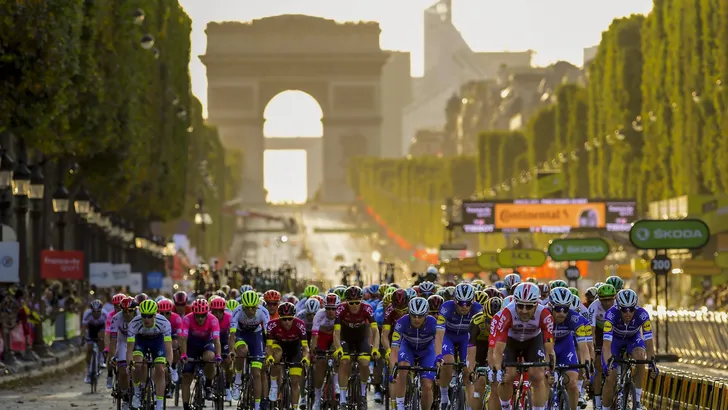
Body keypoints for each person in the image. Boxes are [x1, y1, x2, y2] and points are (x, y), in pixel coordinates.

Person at [490, 282, 555, 410]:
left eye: (529, 306)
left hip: (533, 341)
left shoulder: (545, 314)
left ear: (537, 304)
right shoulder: (507, 313)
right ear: (515, 303)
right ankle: (506, 407)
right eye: (520, 306)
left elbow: (549, 349)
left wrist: (550, 371)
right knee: (507, 376)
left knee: (538, 376)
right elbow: (498, 349)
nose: (524, 311)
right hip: (511, 342)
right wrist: (498, 370)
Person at [601, 289, 657, 410]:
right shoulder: (611, 314)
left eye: (631, 309)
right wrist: (607, 366)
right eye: (624, 309)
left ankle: (637, 400)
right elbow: (606, 345)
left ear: (635, 307)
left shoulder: (643, 315)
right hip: (615, 341)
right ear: (618, 307)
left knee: (641, 357)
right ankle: (605, 407)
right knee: (610, 379)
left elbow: (649, 343)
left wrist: (652, 364)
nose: (628, 313)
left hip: (633, 338)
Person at [434, 283, 481, 410]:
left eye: (468, 303)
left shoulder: (478, 309)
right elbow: (439, 334)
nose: (464, 306)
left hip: (466, 338)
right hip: (448, 336)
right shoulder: (446, 307)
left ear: (473, 301)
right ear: (455, 300)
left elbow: (480, 336)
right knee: (448, 362)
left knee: (468, 371)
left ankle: (469, 406)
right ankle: (444, 397)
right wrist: (438, 355)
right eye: (461, 303)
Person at [389, 297, 437, 410]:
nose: (416, 319)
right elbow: (394, 349)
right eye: (413, 315)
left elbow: (439, 344)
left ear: (426, 314)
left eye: (420, 316)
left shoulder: (433, 323)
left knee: (427, 385)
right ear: (409, 313)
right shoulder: (401, 322)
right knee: (402, 369)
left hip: (427, 351)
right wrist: (393, 370)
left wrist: (439, 359)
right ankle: (400, 406)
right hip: (408, 348)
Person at [549, 288, 593, 410]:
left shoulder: (575, 318)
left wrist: (586, 368)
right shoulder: (544, 315)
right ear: (551, 306)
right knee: (545, 382)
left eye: (565, 309)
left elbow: (583, 348)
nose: (562, 313)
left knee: (573, 384)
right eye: (558, 309)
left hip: (565, 346)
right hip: (547, 346)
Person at [127, 299, 173, 410]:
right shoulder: (133, 323)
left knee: (160, 369)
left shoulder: (164, 323)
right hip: (141, 341)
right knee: (137, 364)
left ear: (155, 315)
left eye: (149, 316)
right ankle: (137, 393)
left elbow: (168, 348)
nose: (146, 319)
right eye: (144, 316)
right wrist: (129, 364)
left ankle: (159, 404)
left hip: (157, 342)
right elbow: (129, 349)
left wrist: (169, 365)